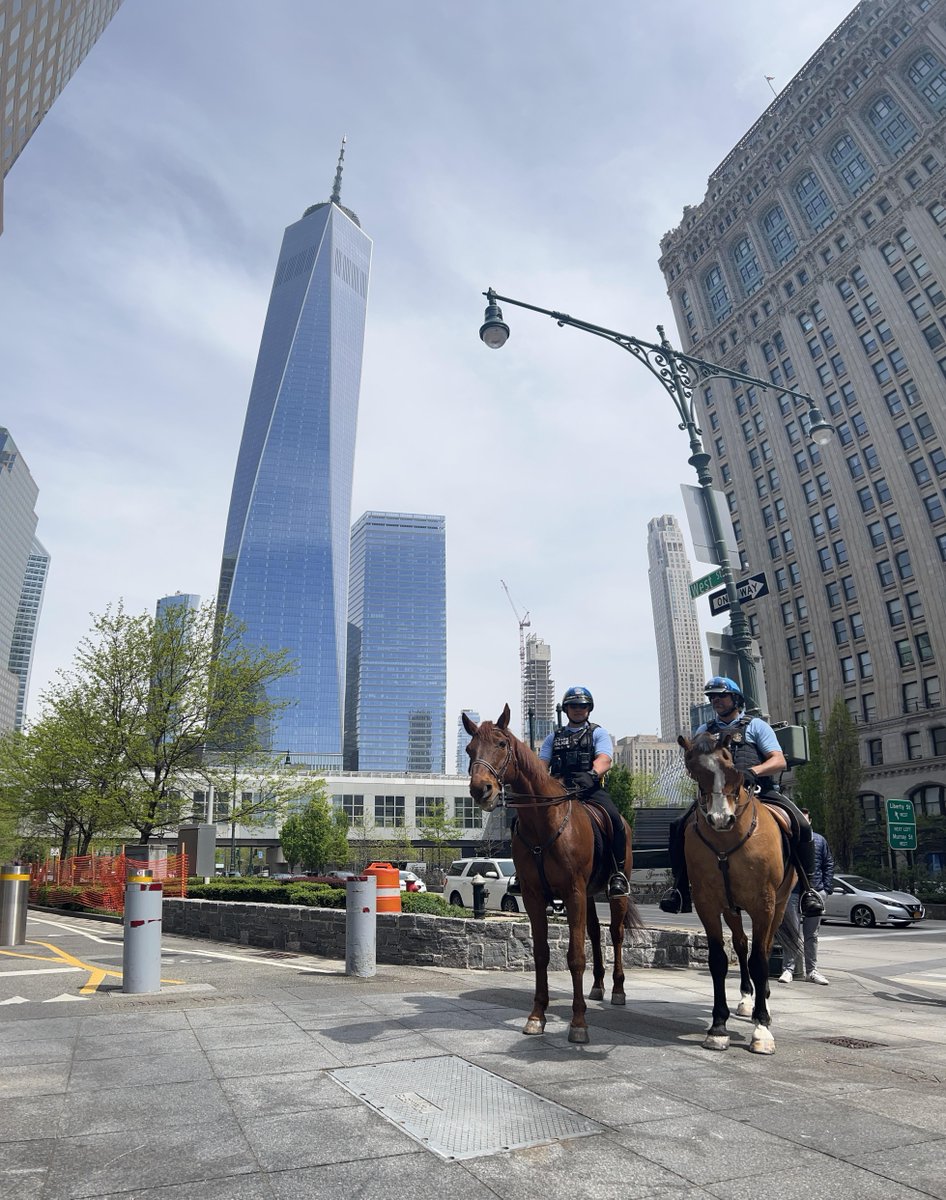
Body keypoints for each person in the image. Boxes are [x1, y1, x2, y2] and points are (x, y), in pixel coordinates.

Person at [659, 676, 824, 917]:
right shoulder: (705, 731)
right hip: (717, 794)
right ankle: (679, 889)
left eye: (721, 696)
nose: (716, 700)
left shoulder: (756, 726)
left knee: (800, 824)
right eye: (712, 697)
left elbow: (778, 760)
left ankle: (809, 890)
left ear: (736, 699)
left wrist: (751, 772)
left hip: (760, 792)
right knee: (678, 826)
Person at [538, 685, 630, 899]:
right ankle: (524, 873)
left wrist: (592, 773)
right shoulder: (553, 738)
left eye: (582, 706)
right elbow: (542, 765)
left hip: (588, 789)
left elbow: (605, 759)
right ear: (566, 709)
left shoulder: (598, 733)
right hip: (559, 790)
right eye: (573, 706)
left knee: (614, 819)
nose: (578, 709)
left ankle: (617, 873)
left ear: (589, 708)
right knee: (525, 821)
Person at [778, 808, 834, 985]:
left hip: (816, 891)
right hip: (792, 891)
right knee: (791, 933)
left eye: (805, 819)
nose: (802, 822)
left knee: (812, 935)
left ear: (809, 821)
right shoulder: (788, 840)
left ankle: (812, 971)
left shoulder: (819, 840)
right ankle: (788, 969)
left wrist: (826, 889)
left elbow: (828, 863)